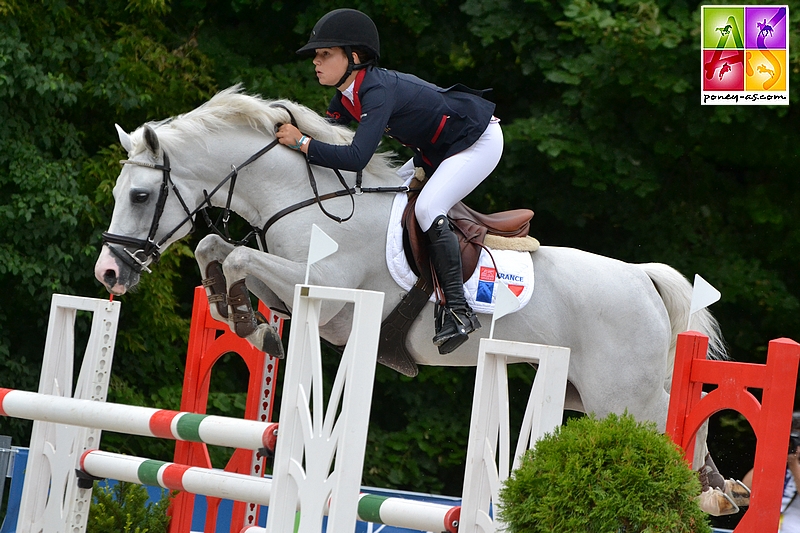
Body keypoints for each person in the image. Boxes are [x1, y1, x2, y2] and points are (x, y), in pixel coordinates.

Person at [276, 8, 503, 355]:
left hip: (477, 140)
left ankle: (458, 309)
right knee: (383, 195)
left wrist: (302, 144)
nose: (315, 62)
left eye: (325, 54)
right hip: (437, 149)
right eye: (316, 56)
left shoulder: (376, 90)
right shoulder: (347, 97)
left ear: (354, 57)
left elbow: (355, 157)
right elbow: (326, 134)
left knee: (428, 207)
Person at [742, 412, 800, 532]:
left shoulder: (794, 465)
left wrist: (794, 464)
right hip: (763, 525)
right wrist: (774, 455)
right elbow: (745, 488)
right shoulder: (777, 462)